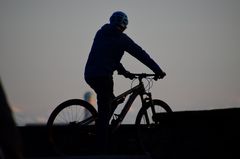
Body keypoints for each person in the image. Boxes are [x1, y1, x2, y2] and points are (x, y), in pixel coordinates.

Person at [84, 11, 166, 153]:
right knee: (105, 108)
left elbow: (106, 56)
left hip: (90, 73)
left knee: (112, 101)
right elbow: (141, 54)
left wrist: (124, 72)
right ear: (124, 26)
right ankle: (100, 145)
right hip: (103, 76)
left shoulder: (101, 33)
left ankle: (101, 129)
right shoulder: (122, 39)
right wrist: (157, 70)